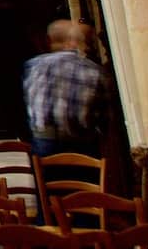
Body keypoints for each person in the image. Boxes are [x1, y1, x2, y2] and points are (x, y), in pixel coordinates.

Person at [23, 20, 107, 159]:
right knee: (85, 180)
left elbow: (27, 102)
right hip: (80, 142)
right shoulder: (92, 70)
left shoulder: (34, 66)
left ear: (49, 40)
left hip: (45, 141)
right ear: (73, 41)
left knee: (49, 180)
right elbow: (102, 115)